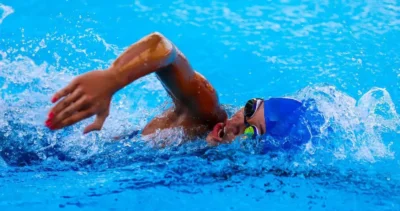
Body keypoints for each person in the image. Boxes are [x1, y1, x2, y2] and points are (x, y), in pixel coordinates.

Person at [45, 32, 321, 149]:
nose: (236, 123)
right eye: (249, 108)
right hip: (53, 144)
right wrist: (113, 78)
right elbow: (162, 46)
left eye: (251, 132)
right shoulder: (205, 112)